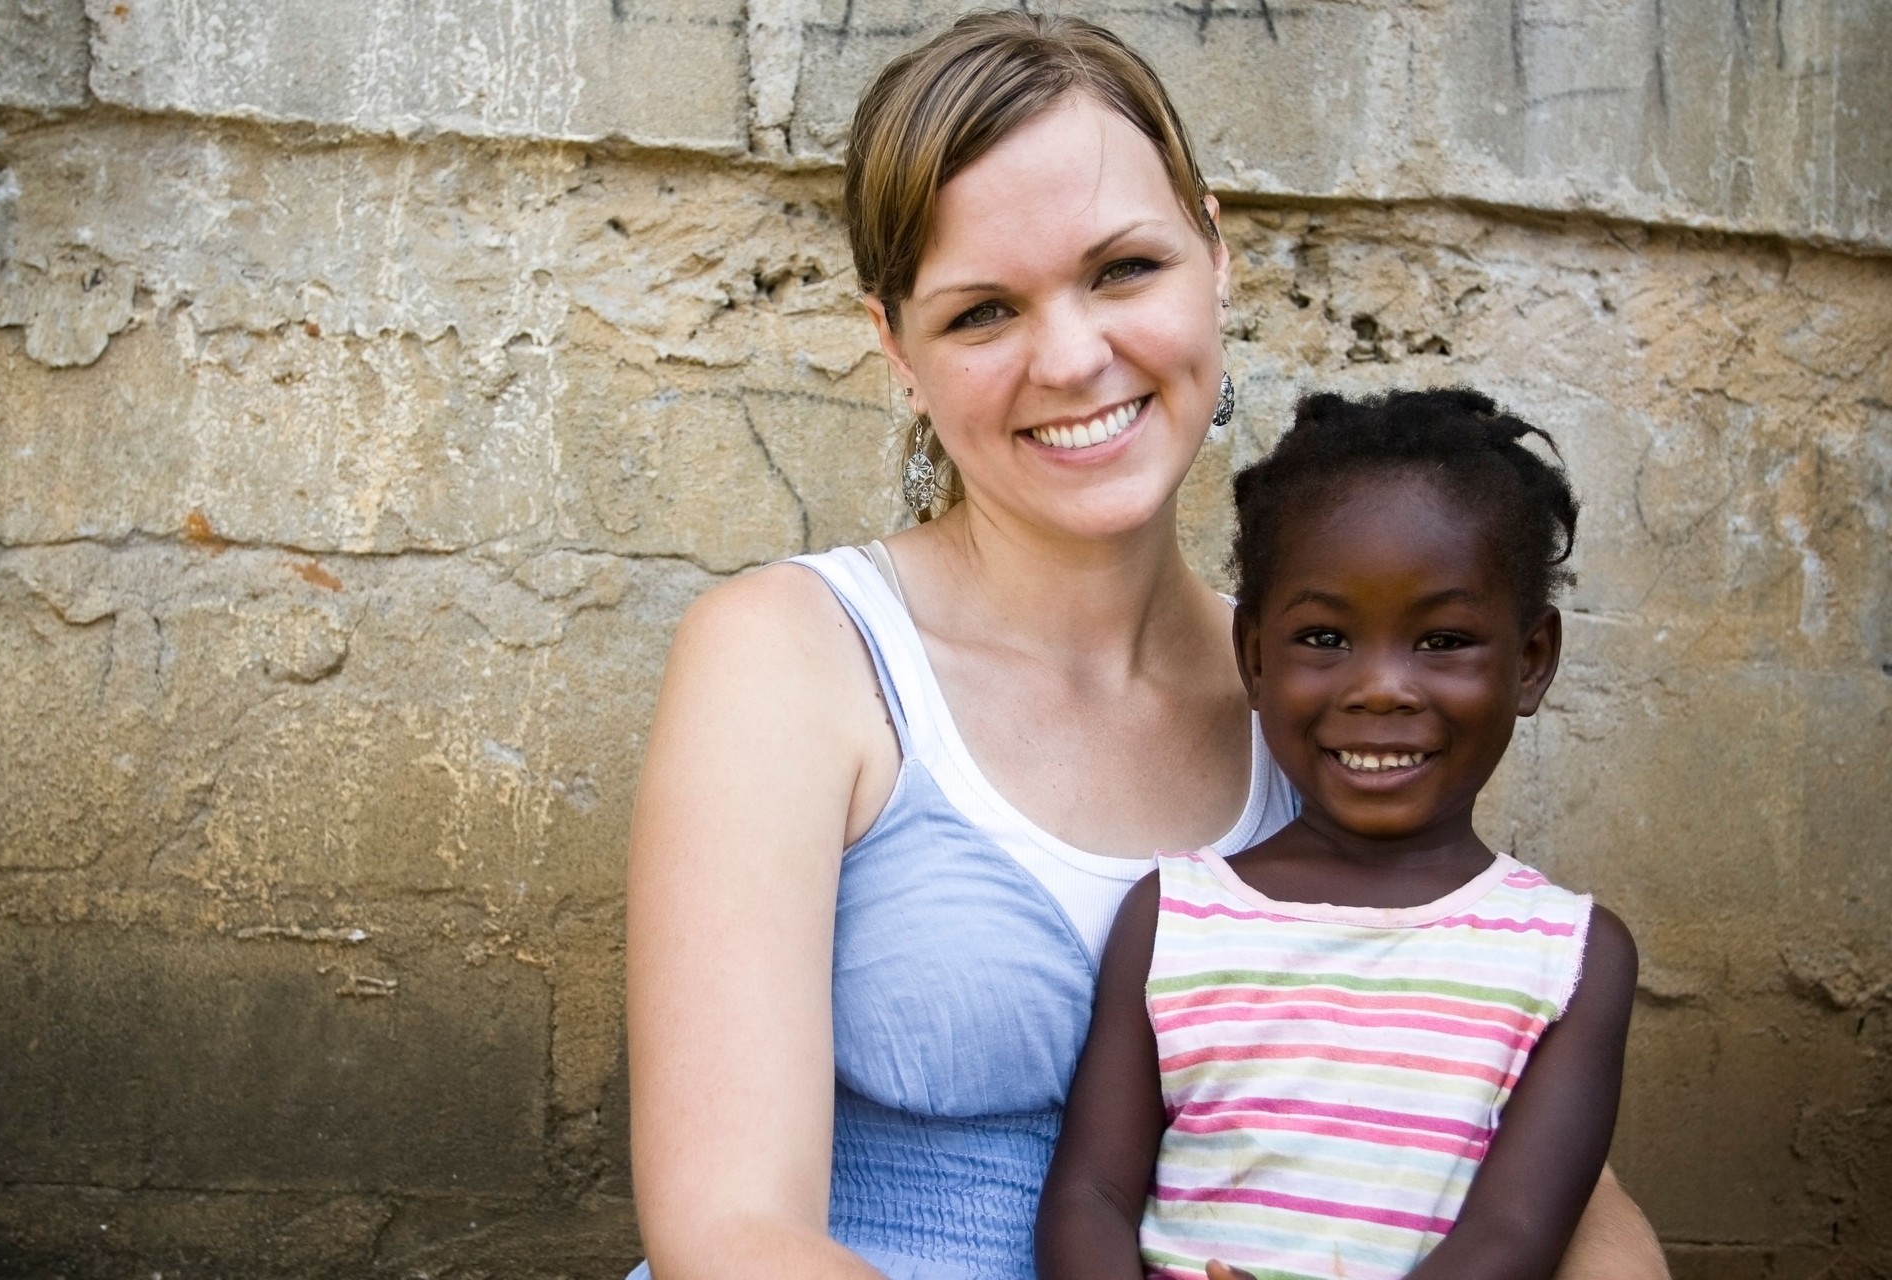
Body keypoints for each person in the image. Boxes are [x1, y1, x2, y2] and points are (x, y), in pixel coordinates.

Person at [624, 13, 1667, 1280]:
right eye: (981, 312)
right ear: (895, 349)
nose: (1072, 358)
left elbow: (1543, 1163)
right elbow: (729, 1234)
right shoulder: (791, 659)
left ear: (1215, 256)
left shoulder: (1326, 692)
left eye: (1123, 269)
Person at [1036, 389, 1638, 1280]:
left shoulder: (1571, 957)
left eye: (1442, 640)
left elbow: (1510, 1239)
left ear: (1532, 661)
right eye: (1325, 637)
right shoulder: (1175, 919)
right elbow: (1090, 1197)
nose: (1382, 689)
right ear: (1252, 656)